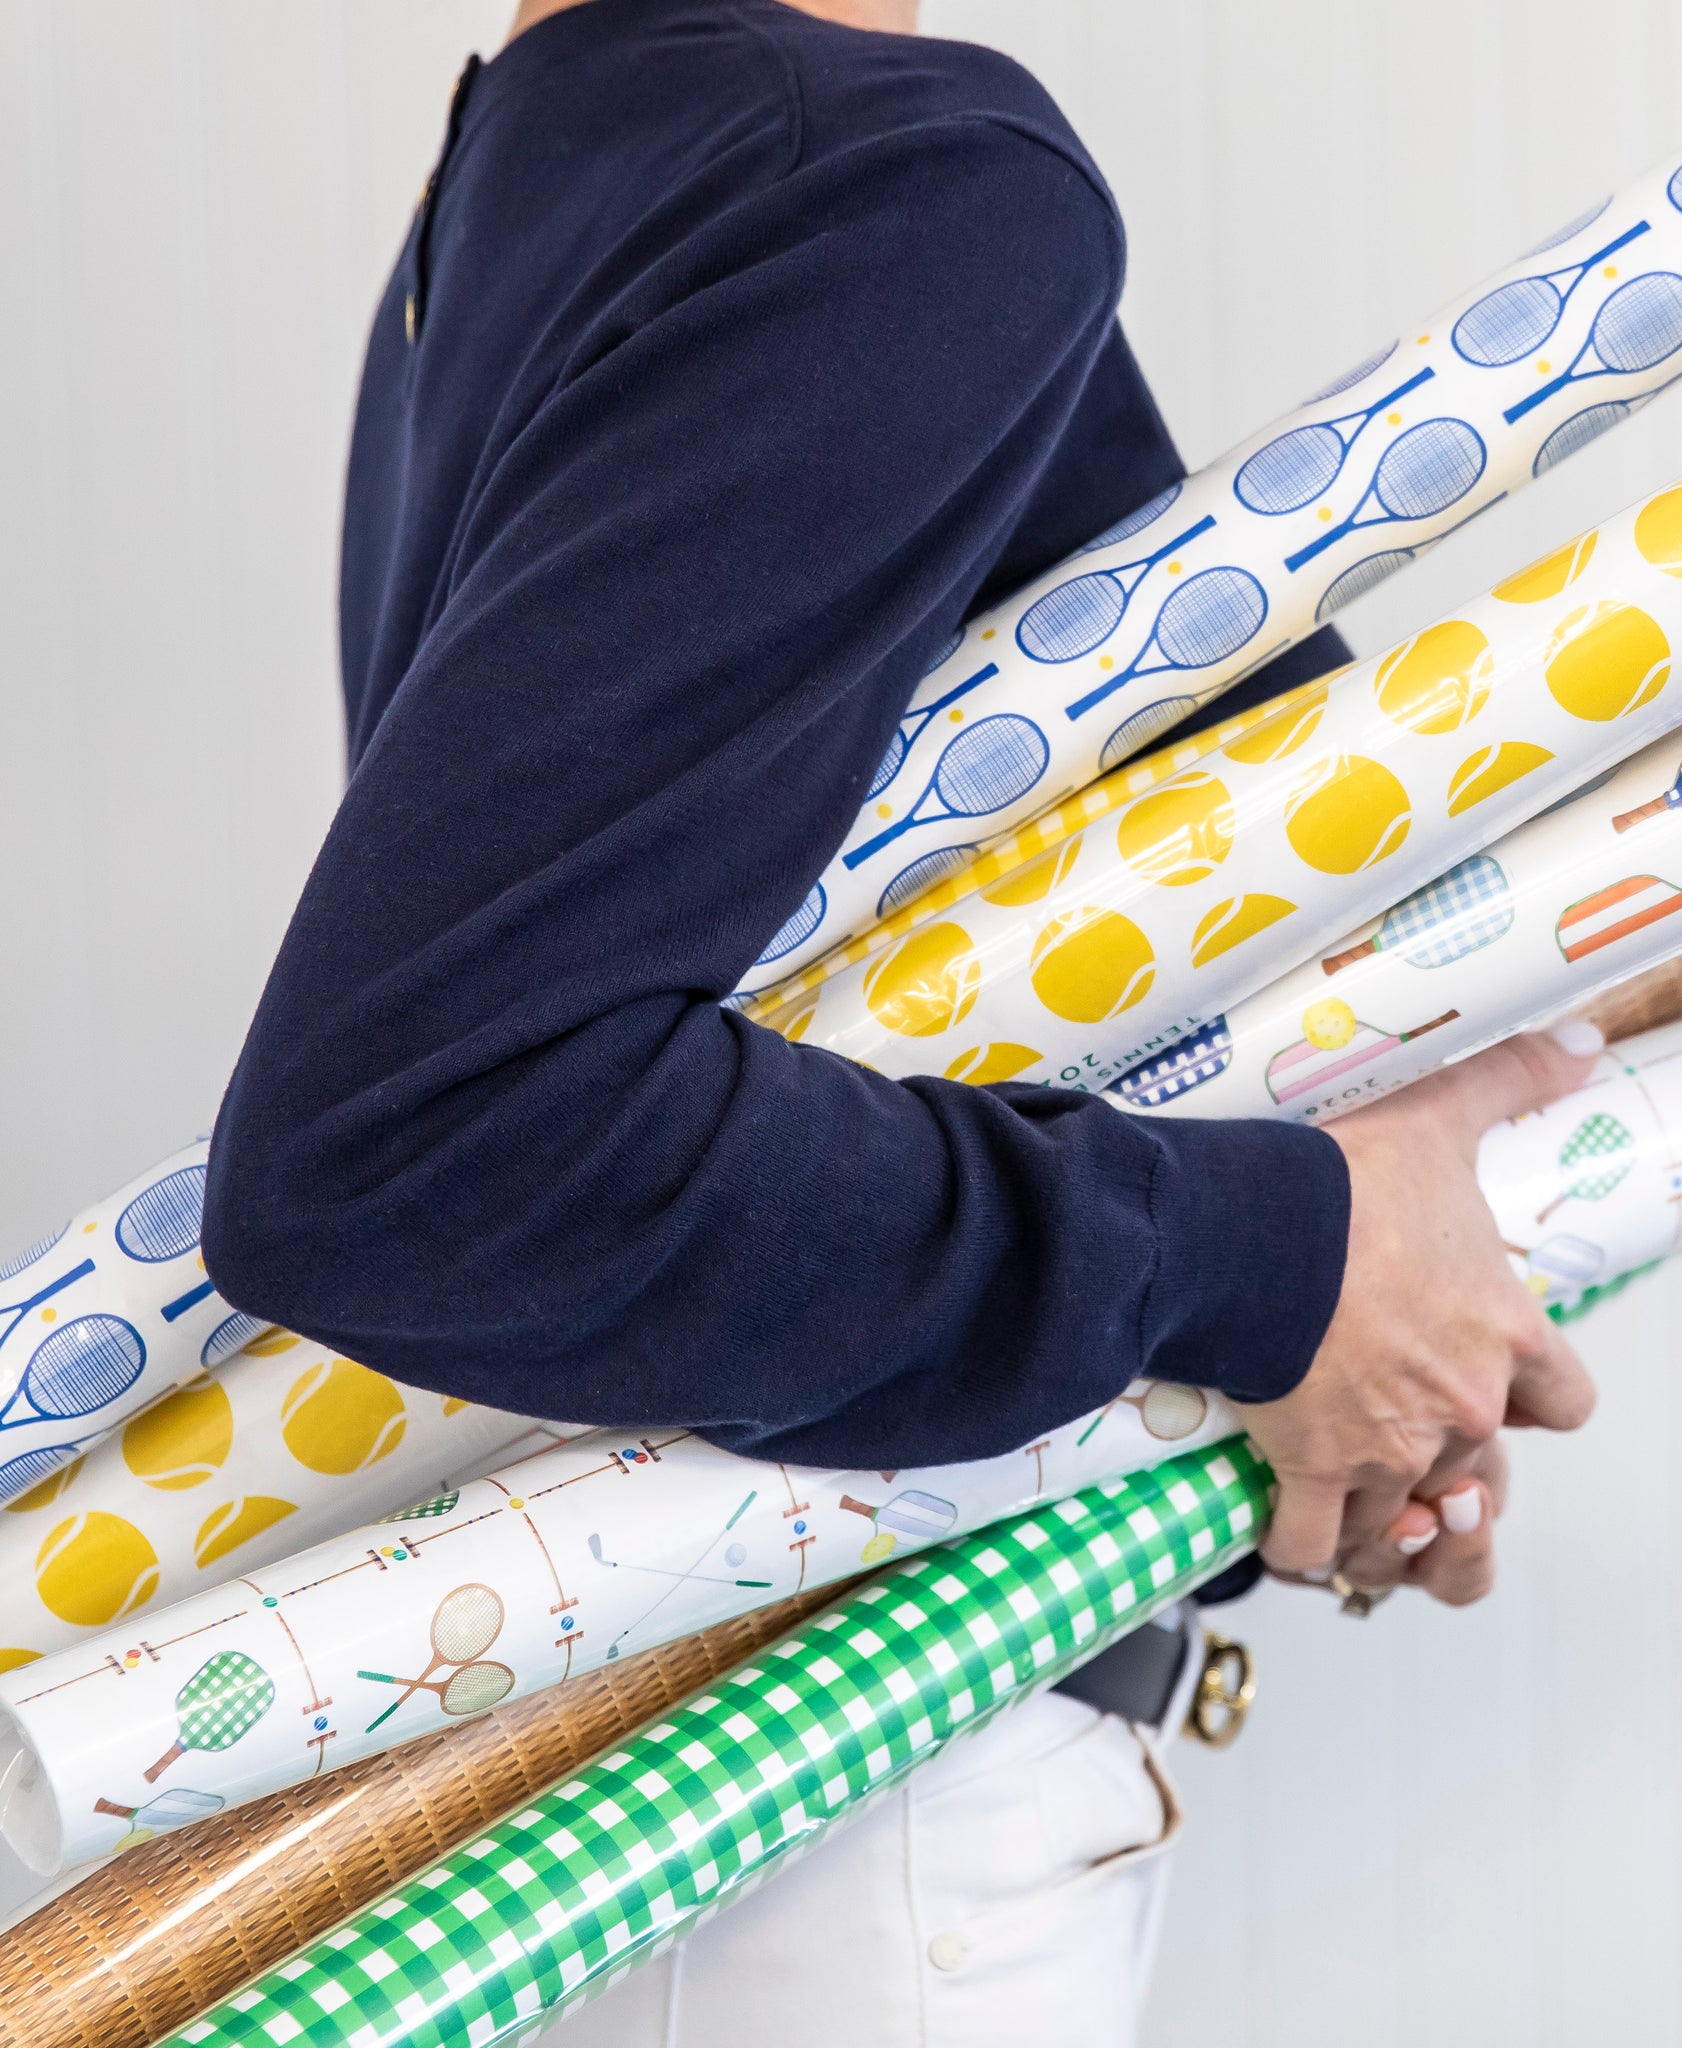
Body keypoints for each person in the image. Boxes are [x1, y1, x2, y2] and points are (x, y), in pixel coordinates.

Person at [201, 0, 1602, 2036]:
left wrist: (1310, 1345)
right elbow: (435, 1153)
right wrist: (1274, 1260)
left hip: (725, 1769)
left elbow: (1009, 1001)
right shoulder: (876, 177)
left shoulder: (583, 154)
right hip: (839, 1802)